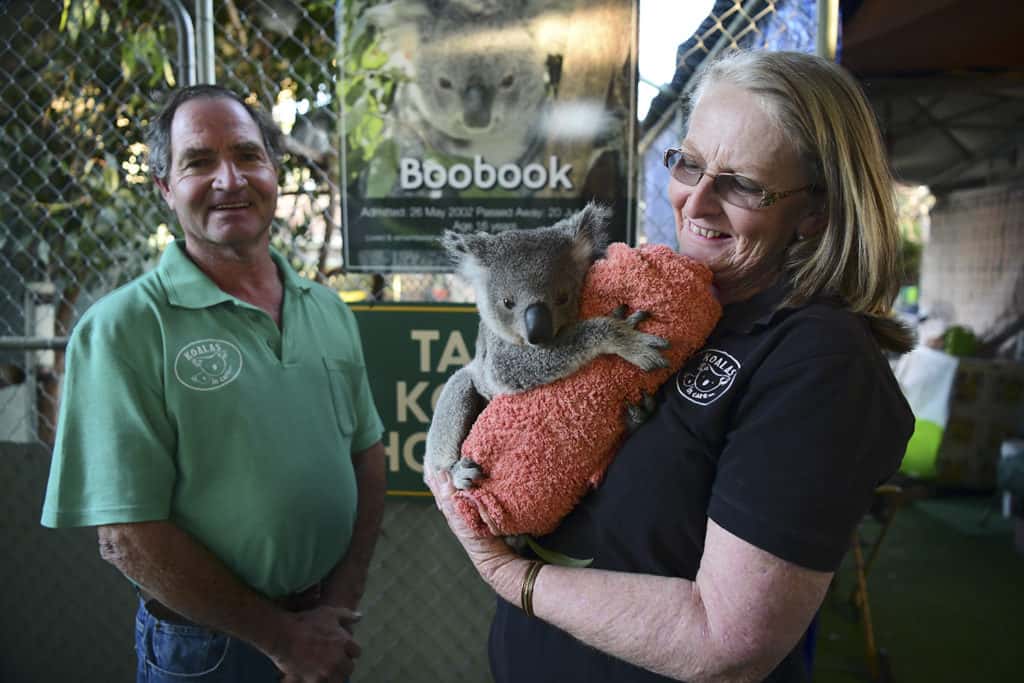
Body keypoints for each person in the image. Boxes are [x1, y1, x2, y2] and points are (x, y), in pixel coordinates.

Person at [425, 49, 915, 683]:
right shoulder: (670, 303)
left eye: (743, 184)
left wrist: (509, 575)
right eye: (688, 163)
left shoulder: (821, 364)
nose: (696, 201)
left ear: (815, 210)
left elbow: (726, 645)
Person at [41, 84, 386, 683]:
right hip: (207, 650)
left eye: (248, 155)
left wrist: (336, 610)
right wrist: (284, 640)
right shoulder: (123, 329)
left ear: (274, 172)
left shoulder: (327, 310)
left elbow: (367, 456)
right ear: (164, 189)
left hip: (321, 627)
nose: (230, 179)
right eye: (199, 162)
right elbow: (126, 535)